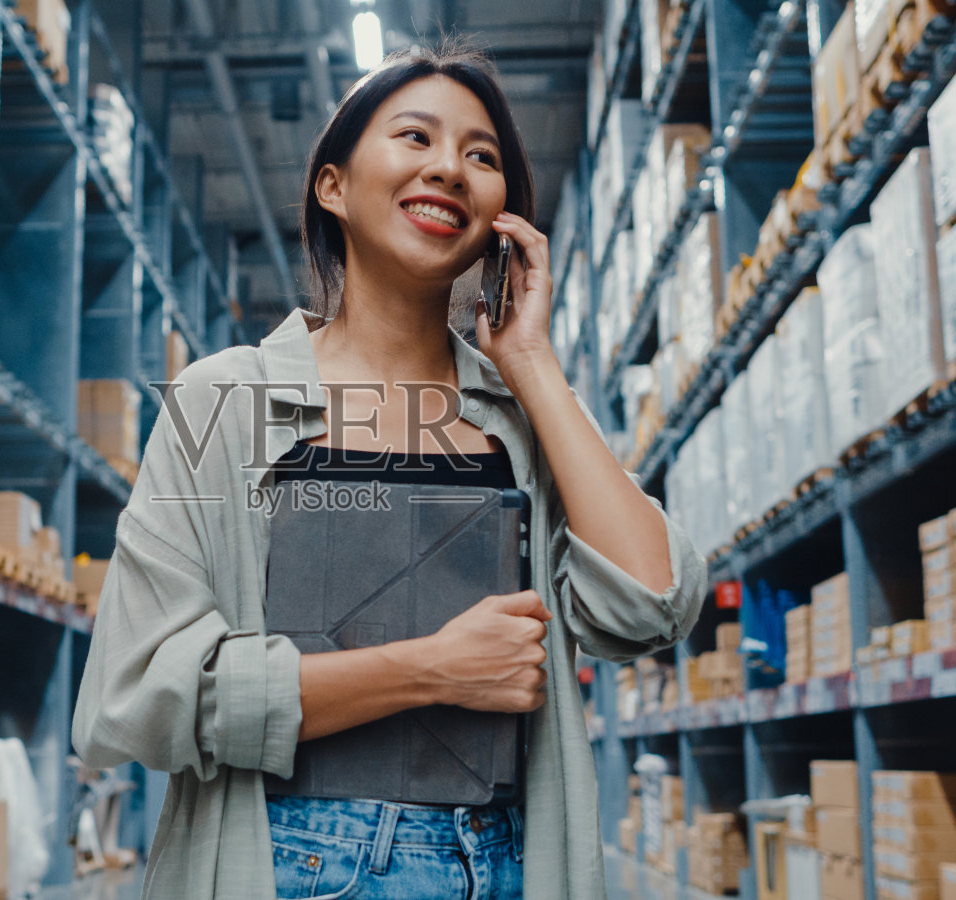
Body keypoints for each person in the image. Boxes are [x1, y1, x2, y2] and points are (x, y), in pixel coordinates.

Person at [71, 43, 707, 900]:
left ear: (501, 215)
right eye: (416, 138)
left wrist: (535, 365)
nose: (449, 168)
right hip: (290, 862)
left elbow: (653, 602)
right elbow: (134, 695)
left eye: (482, 157)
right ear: (332, 186)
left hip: (506, 864)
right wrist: (431, 669)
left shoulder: (522, 417)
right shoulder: (219, 401)